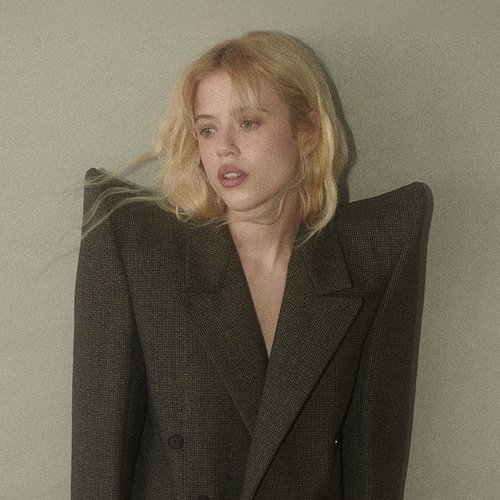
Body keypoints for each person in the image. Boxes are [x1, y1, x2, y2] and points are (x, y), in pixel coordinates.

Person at [72, 31, 432, 499]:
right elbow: (100, 456)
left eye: (248, 122)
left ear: (308, 132)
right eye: (207, 129)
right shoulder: (139, 249)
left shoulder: (370, 254)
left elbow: (374, 459)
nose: (224, 147)